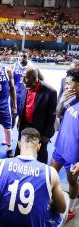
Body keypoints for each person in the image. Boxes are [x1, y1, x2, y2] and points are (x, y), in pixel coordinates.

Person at [0, 127, 67, 227]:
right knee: (64, 198)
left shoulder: (0, 164)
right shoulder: (50, 172)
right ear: (39, 147)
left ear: (19, 144)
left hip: (2, 224)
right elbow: (62, 208)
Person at [52, 67, 79, 221]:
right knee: (51, 175)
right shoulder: (68, 96)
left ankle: (71, 208)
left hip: (74, 155)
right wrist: (61, 102)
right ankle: (50, 202)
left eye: (70, 83)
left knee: (72, 182)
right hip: (60, 147)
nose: (66, 86)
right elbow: (57, 114)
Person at [15, 66, 57, 164]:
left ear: (34, 78)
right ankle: (17, 166)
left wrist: (47, 135)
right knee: (20, 147)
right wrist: (19, 120)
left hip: (41, 128)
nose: (23, 80)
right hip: (25, 124)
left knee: (41, 152)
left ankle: (41, 172)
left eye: (25, 77)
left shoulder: (50, 92)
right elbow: (22, 105)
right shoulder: (24, 86)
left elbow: (51, 116)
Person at [11, 50, 44, 128]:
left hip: (26, 96)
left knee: (23, 117)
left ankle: (20, 134)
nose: (22, 58)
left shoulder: (33, 67)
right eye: (21, 56)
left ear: (28, 57)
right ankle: (11, 133)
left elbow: (42, 80)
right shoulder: (14, 66)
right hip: (15, 95)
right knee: (13, 115)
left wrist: (33, 87)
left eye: (24, 56)